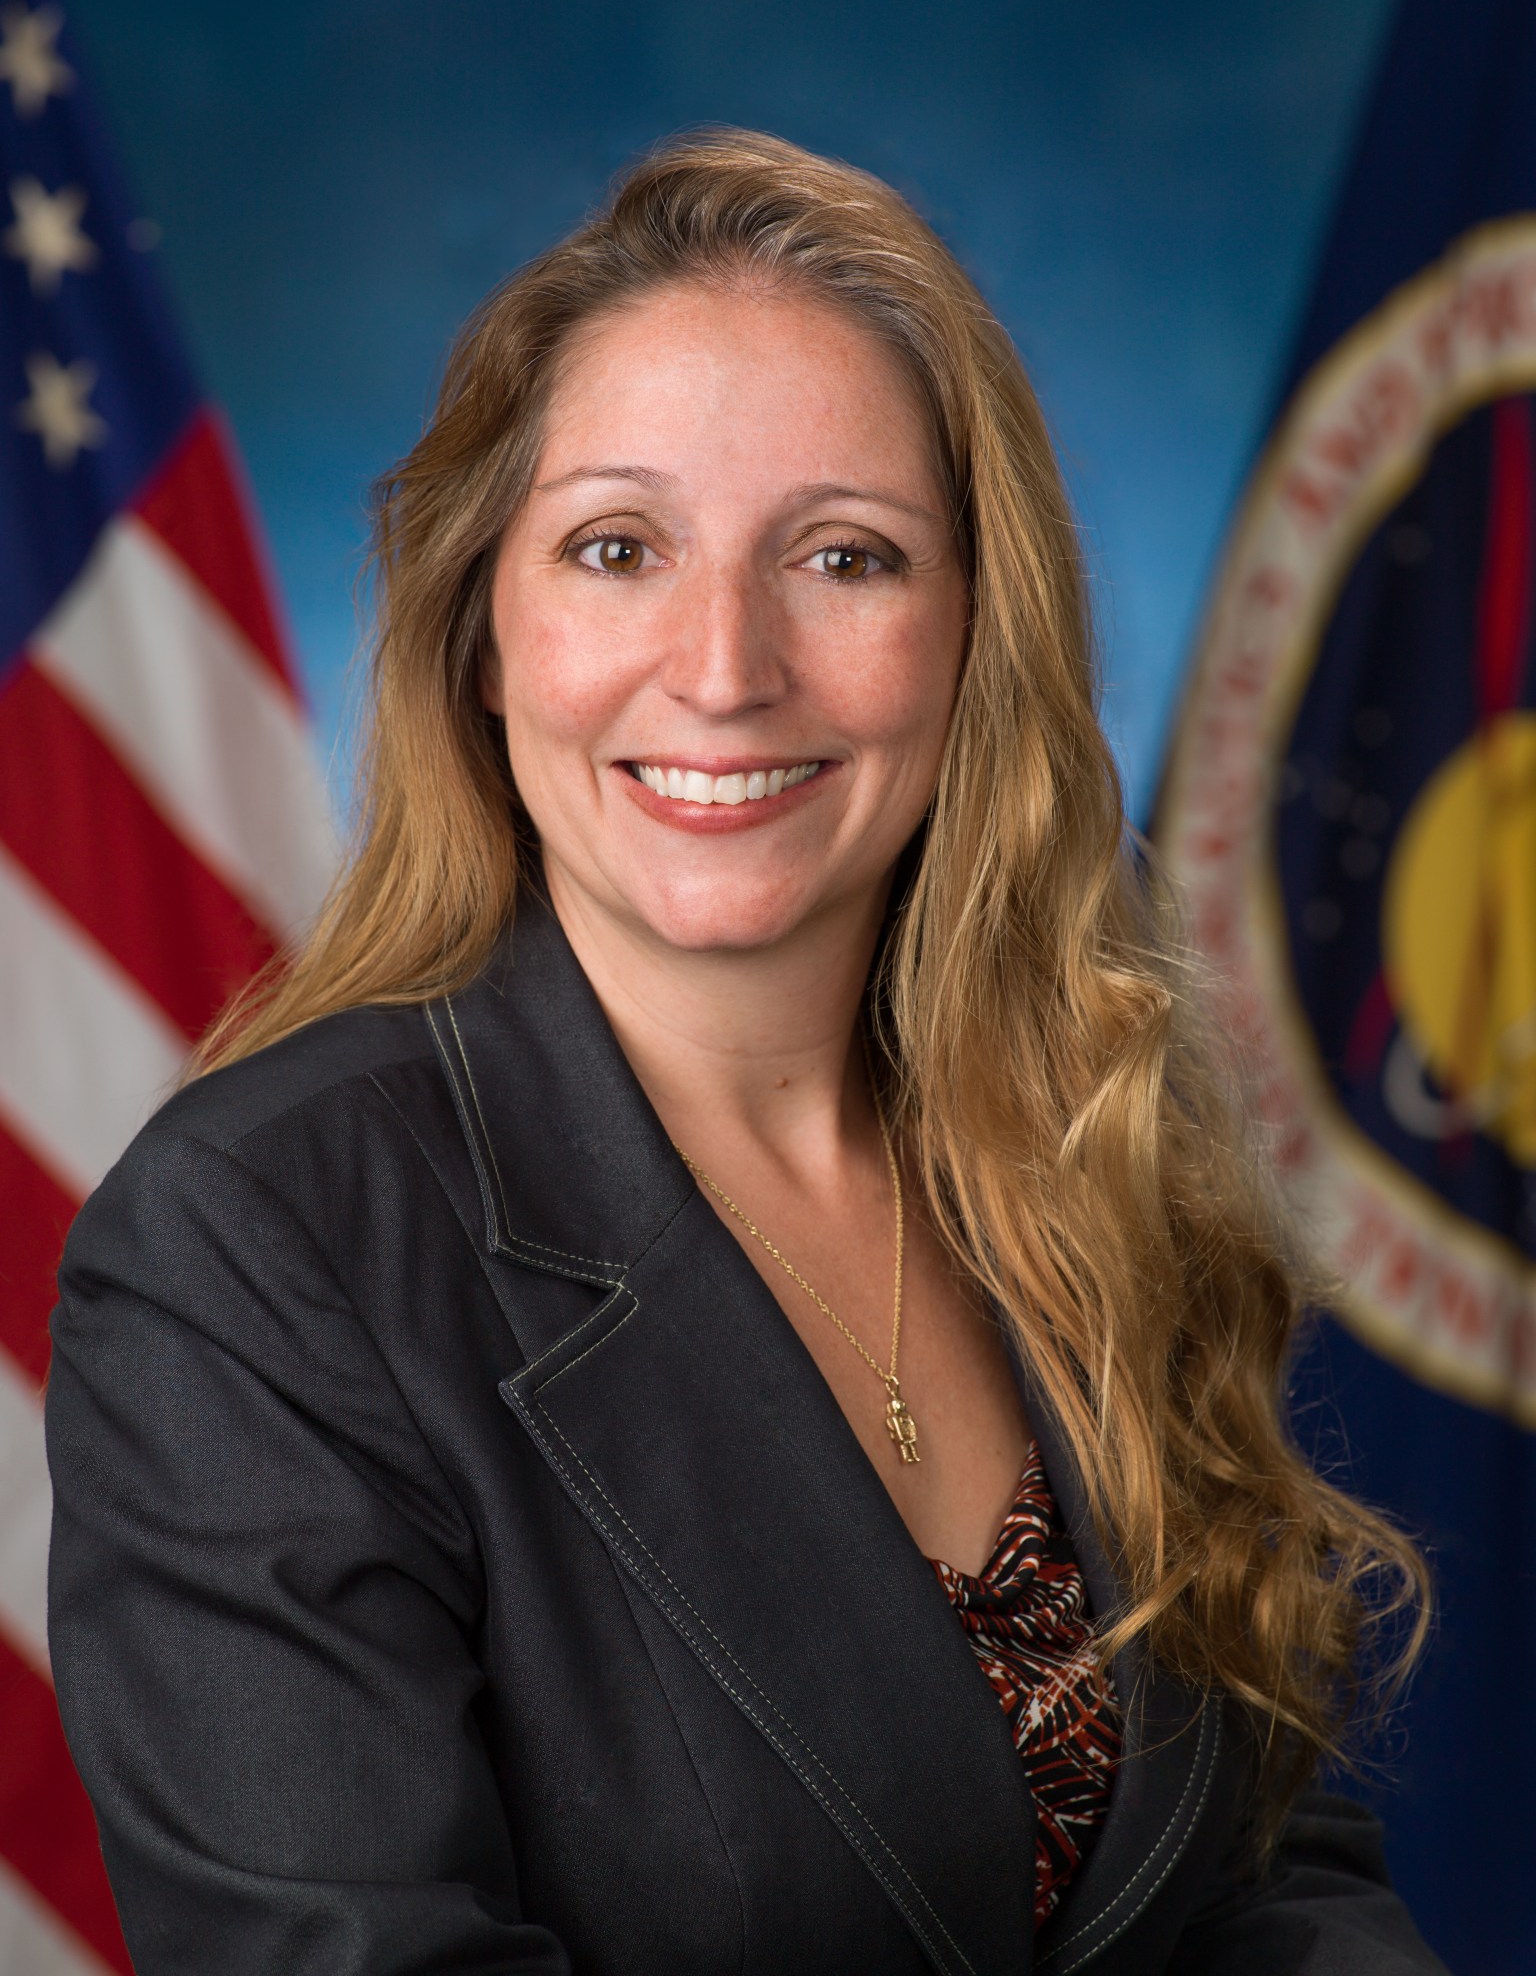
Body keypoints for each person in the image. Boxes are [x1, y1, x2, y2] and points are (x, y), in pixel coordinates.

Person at [46, 129, 1446, 1975]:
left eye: (845, 557)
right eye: (618, 548)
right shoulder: (259, 1245)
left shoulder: (1082, 1147)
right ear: (484, 632)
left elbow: (1271, 1881)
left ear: (976, 644)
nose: (723, 667)